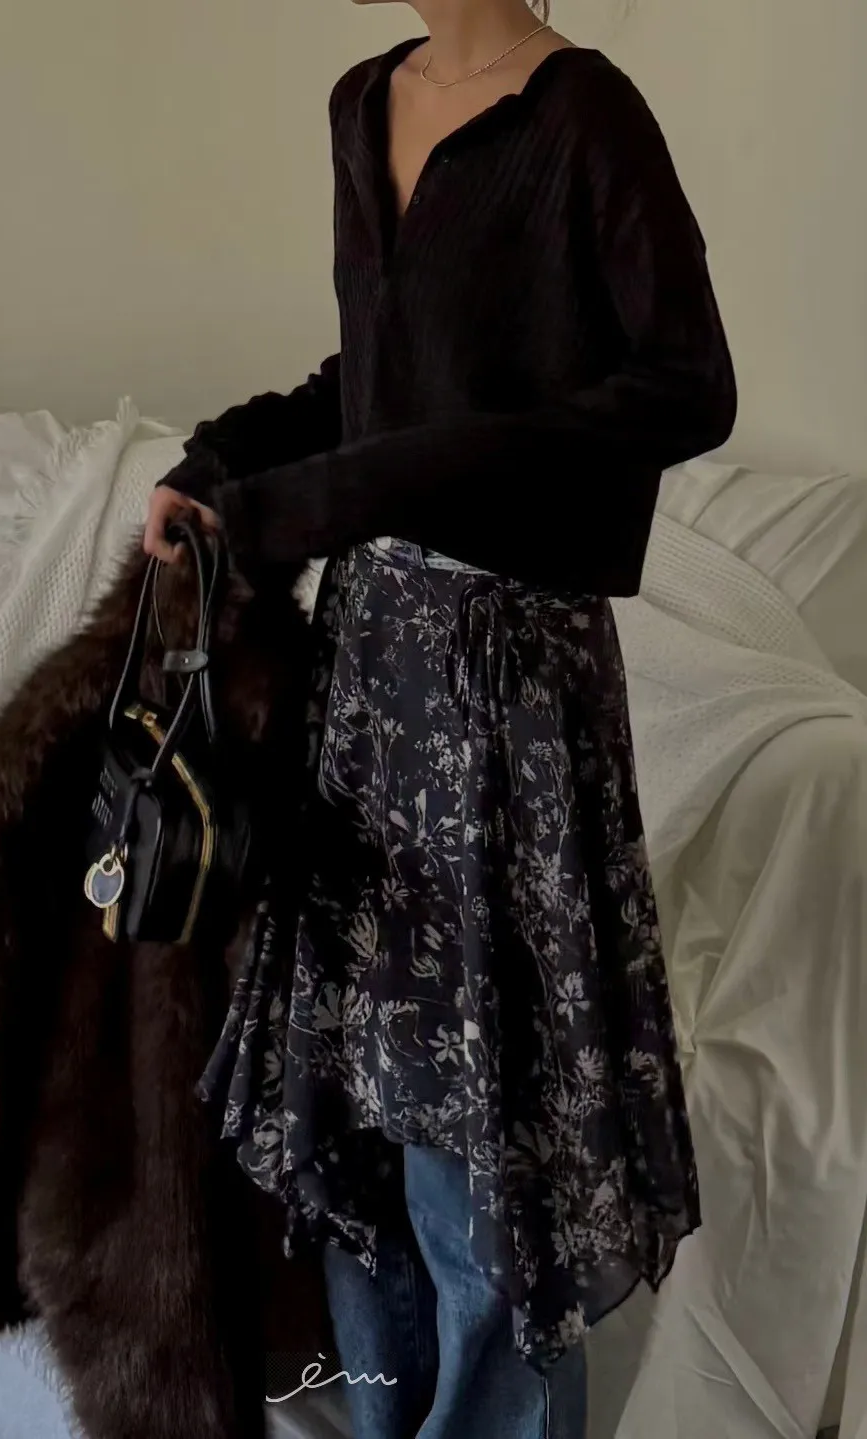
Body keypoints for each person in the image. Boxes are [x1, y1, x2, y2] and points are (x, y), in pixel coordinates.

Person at [146, 1, 736, 1435]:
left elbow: (686, 388)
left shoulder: (583, 114)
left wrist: (371, 486)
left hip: (509, 680)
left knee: (489, 1162)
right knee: (368, 1127)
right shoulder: (364, 102)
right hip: (374, 674)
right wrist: (227, 460)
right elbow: (383, 382)